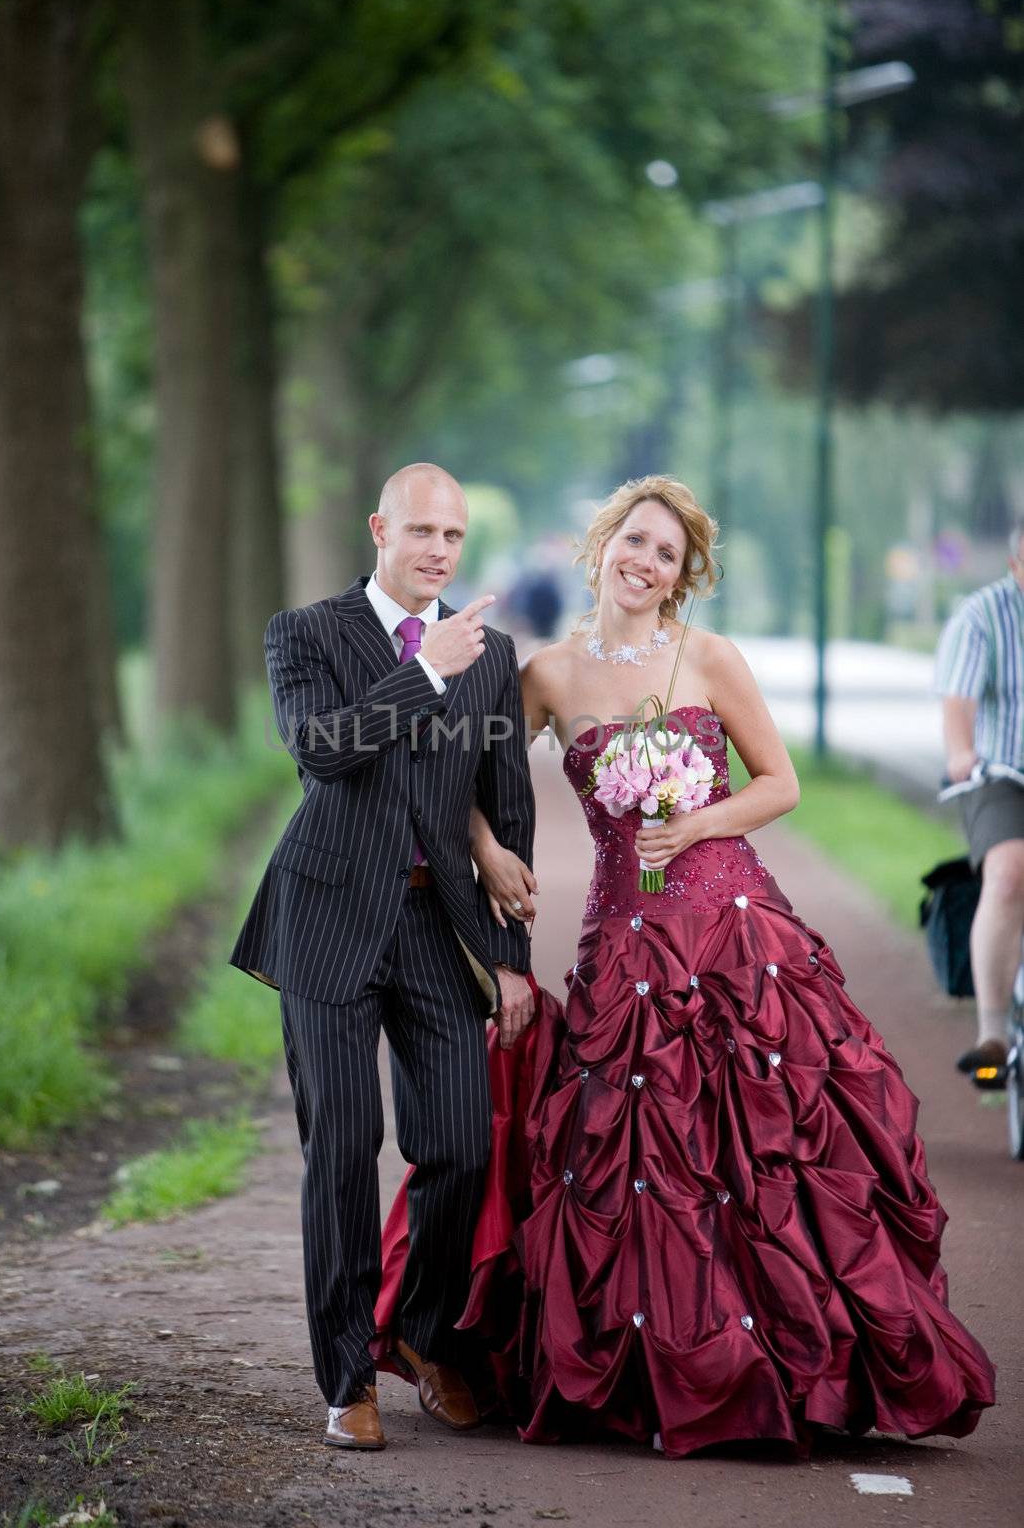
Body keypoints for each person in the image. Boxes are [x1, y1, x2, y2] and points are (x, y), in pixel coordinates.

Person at [378, 475, 995, 1455]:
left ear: (683, 574)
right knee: (622, 1155)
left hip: (737, 928)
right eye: (634, 541)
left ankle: (798, 1366)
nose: (645, 562)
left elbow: (778, 783)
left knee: (766, 1143)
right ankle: (656, 1366)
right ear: (603, 545)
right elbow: (454, 773)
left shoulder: (709, 658)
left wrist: (695, 818)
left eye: (666, 554)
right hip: (622, 937)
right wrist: (486, 846)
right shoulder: (543, 674)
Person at [229, 463, 537, 1452]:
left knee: (458, 1143)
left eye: (451, 535)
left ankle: (426, 1334)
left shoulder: (492, 657)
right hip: (323, 916)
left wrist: (511, 956)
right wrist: (425, 669)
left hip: (428, 925)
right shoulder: (306, 633)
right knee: (344, 1148)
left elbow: (506, 804)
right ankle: (347, 1374)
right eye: (420, 532)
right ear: (378, 530)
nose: (438, 551)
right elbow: (320, 749)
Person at [934, 523, 1024, 1086]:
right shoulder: (982, 617)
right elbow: (958, 702)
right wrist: (962, 751)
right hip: (1003, 775)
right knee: (1011, 871)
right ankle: (993, 1033)